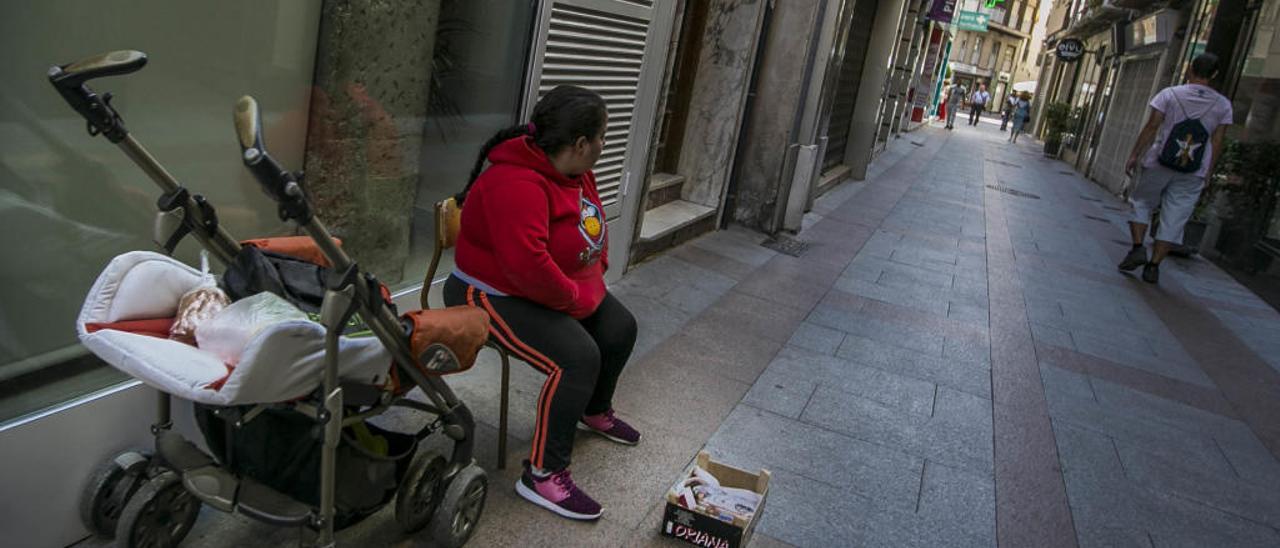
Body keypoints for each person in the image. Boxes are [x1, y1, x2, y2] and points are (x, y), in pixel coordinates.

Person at [445, 85, 640, 520]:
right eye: (602, 136)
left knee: (619, 328)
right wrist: (573, 297)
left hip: (547, 286)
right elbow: (526, 267)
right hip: (489, 293)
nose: (605, 144)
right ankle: (543, 474)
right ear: (580, 144)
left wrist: (593, 271)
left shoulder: (575, 171)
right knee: (577, 358)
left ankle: (594, 410)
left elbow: (592, 224)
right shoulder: (513, 184)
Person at [1118, 53, 1233, 284]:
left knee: (1141, 202)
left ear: (1190, 70)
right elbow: (1218, 141)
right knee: (1175, 218)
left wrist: (1134, 154)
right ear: (1215, 74)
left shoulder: (1169, 94)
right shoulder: (1223, 104)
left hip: (1160, 161)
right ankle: (1154, 266)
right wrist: (1209, 170)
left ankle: (1138, 247)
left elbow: (1152, 126)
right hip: (1194, 170)